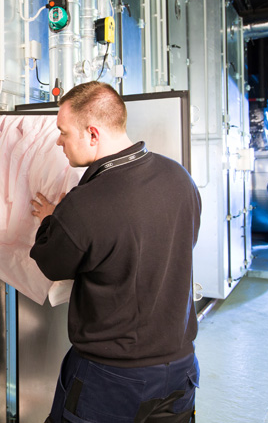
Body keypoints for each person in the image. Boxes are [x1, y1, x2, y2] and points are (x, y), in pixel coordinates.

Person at [29, 82, 201, 423]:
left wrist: (51, 220)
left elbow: (51, 263)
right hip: (180, 368)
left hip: (111, 378)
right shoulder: (179, 178)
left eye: (63, 132)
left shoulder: (85, 204)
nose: (58, 141)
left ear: (92, 134)